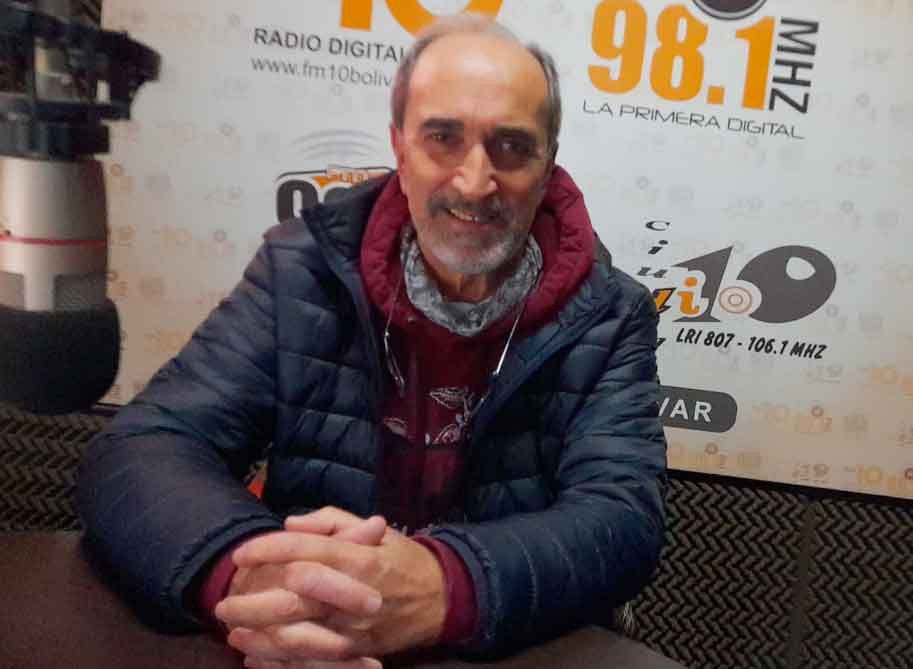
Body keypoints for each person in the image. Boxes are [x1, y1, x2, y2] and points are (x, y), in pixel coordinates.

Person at [77, 14, 667, 669]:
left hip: (499, 644)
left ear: (547, 163)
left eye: (511, 146)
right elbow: (146, 447)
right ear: (400, 148)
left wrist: (445, 586)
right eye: (442, 137)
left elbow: (622, 519)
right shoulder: (300, 269)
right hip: (302, 643)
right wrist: (250, 580)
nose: (474, 181)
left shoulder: (609, 315)